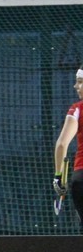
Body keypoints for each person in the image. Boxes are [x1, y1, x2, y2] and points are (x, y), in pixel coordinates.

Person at [52, 67, 83, 224]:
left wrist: (58, 177)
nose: (75, 86)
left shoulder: (77, 109)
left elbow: (61, 144)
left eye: (80, 82)